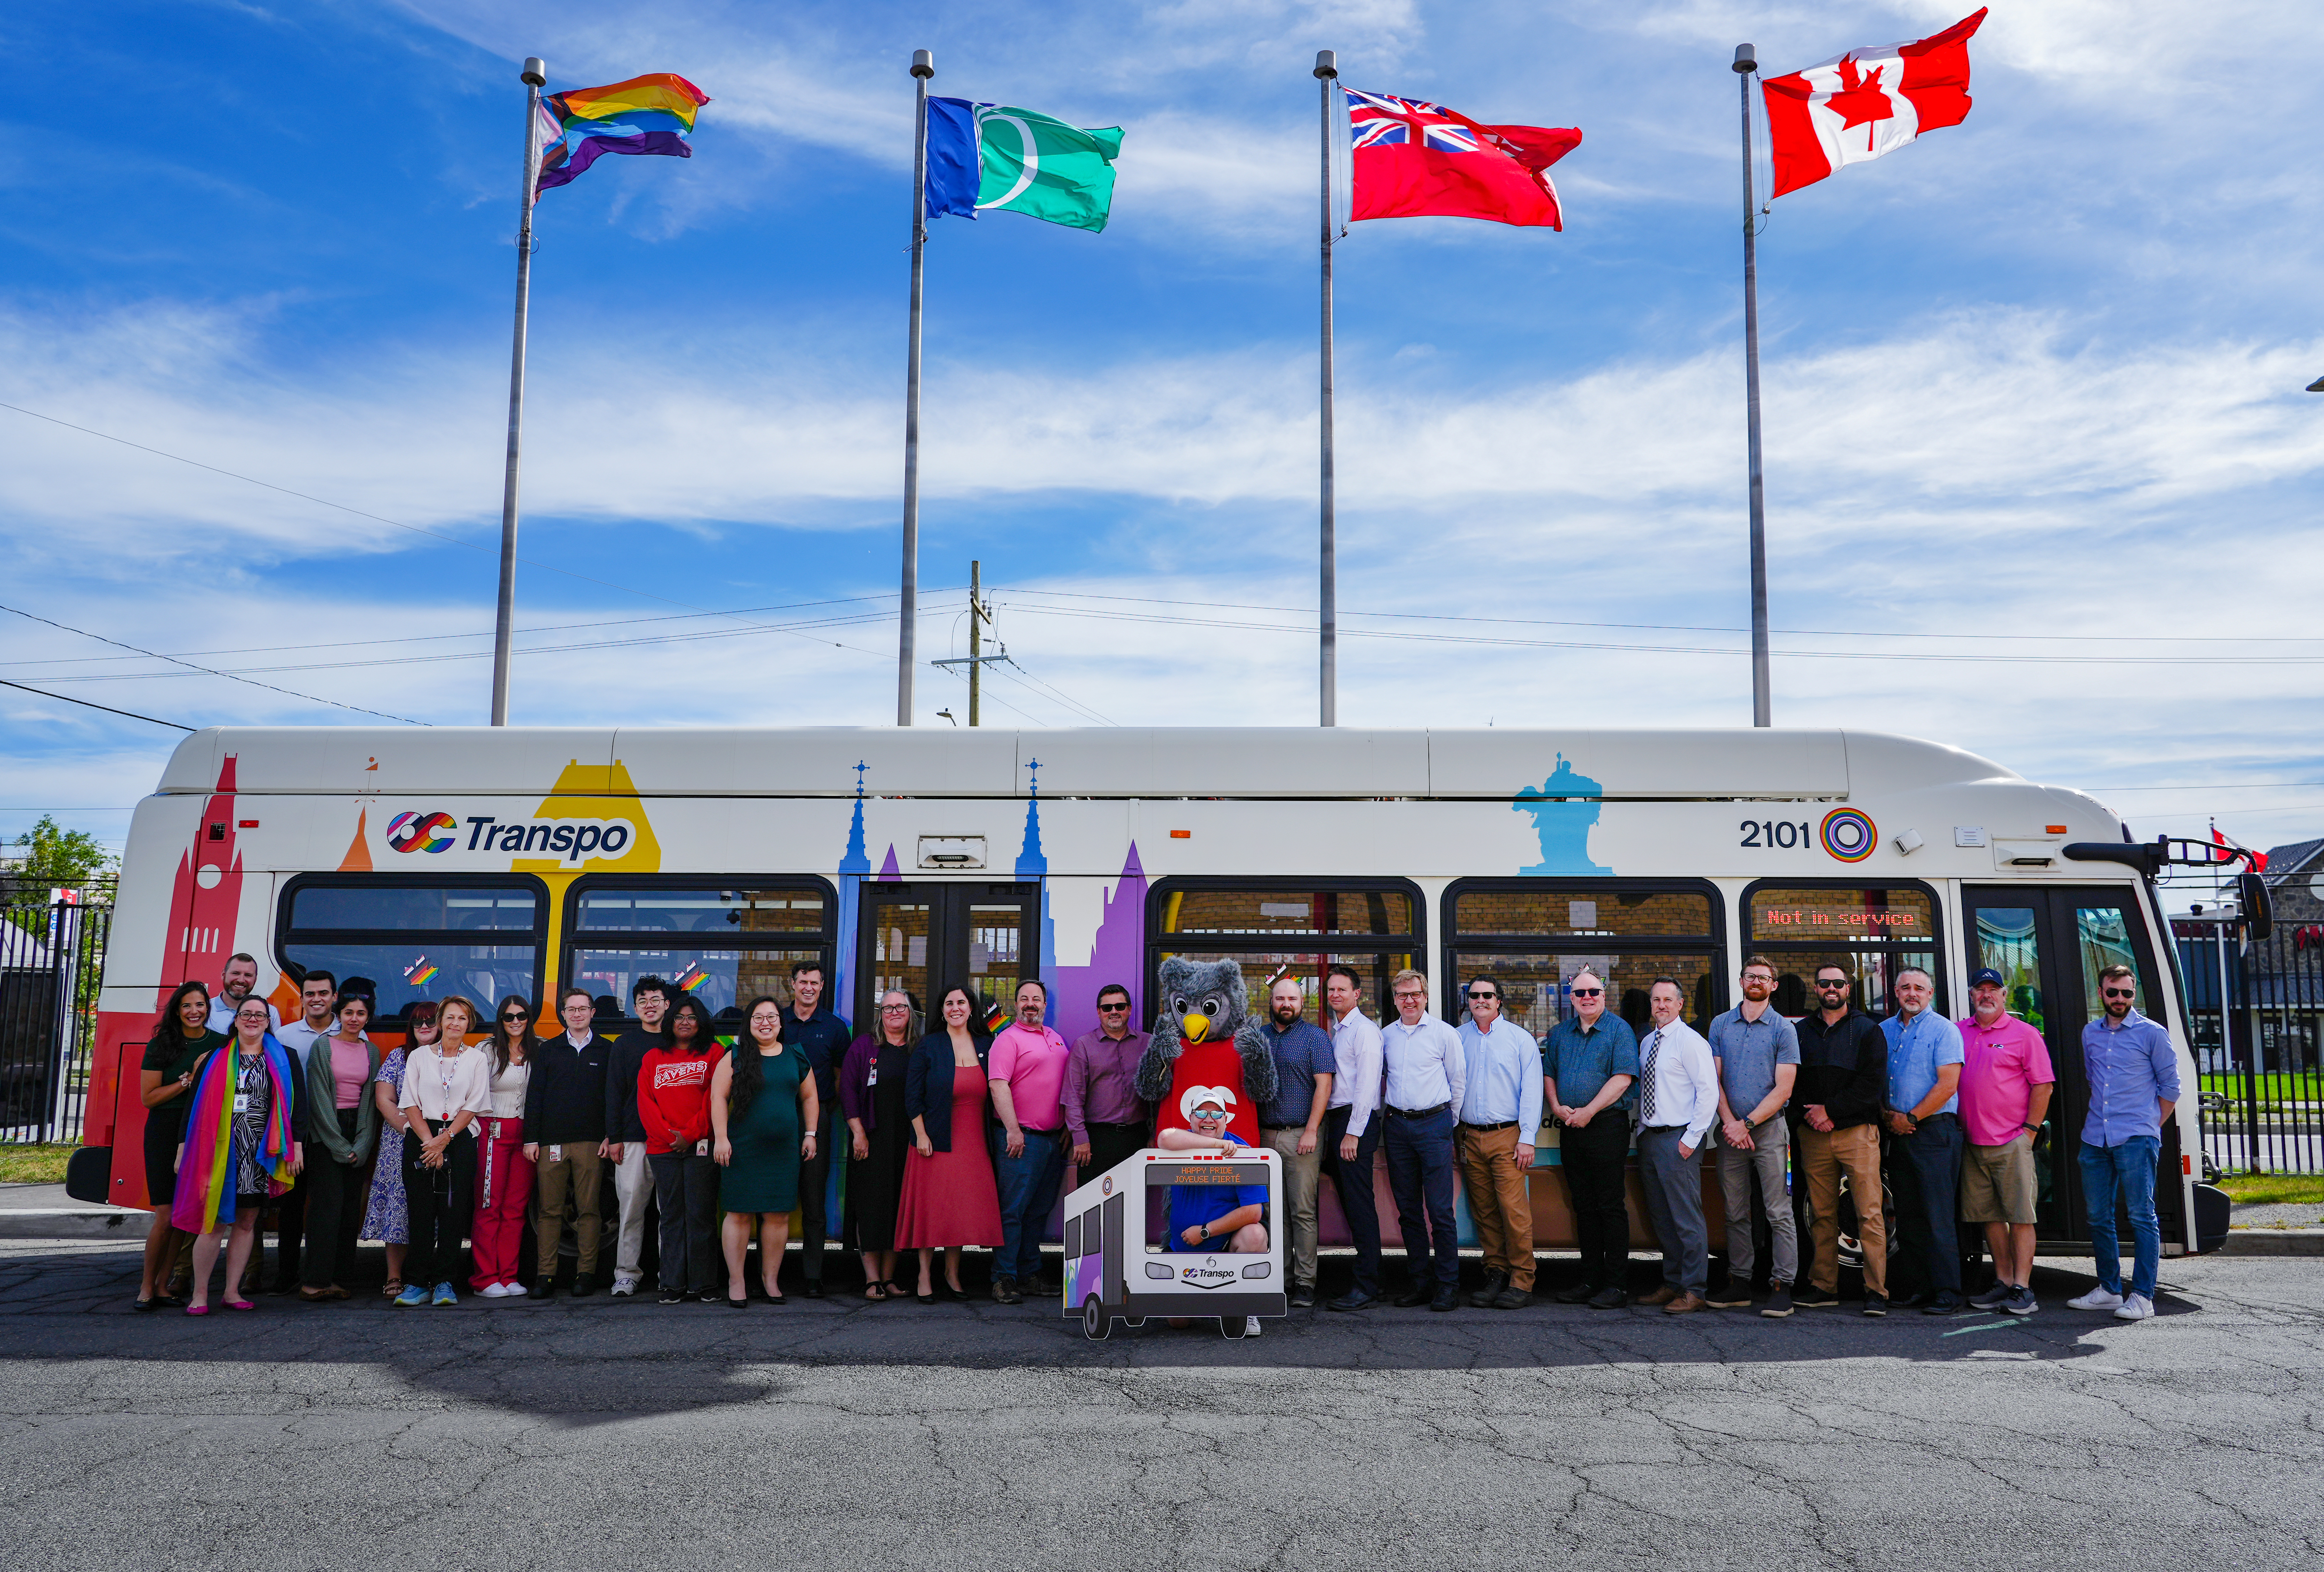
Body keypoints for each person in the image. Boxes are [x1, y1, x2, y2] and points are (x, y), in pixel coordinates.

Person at [172, 995, 303, 1314]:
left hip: (259, 1154)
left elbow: (299, 1106)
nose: (253, 1019)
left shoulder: (286, 1057)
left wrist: (296, 1145)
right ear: (236, 1019)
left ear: (269, 1021)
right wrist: (182, 1150)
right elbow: (192, 1108)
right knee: (212, 1223)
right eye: (247, 1014)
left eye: (260, 1015)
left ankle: (232, 1291)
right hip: (218, 1153)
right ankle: (200, 1295)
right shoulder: (215, 1057)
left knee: (246, 1222)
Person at [2068, 965, 2180, 1323]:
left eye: (2127, 993)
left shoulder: (2153, 1034)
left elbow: (2171, 1088)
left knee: (2141, 1216)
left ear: (2135, 995)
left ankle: (2144, 1296)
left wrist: (2148, 1126)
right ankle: (2109, 1289)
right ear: (2100, 992)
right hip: (2095, 1138)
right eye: (2113, 992)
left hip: (2136, 1138)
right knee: (2099, 1216)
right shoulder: (2090, 1033)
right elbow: (2093, 1078)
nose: (2120, 999)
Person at [1791, 965, 1891, 1315]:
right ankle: (1823, 1286)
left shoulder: (1868, 1030)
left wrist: (1830, 1110)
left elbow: (1872, 1084)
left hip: (1858, 1134)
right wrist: (1812, 1117)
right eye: (1824, 983)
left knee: (1869, 1214)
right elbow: (1794, 1081)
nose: (1831, 988)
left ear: (1849, 988)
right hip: (1814, 1136)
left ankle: (1876, 1291)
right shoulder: (1801, 1031)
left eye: (1838, 983)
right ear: (1816, 989)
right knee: (1821, 1214)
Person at [1705, 957, 1801, 1317]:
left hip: (1771, 1130)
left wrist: (1746, 1124)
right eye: (1751, 976)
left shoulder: (1783, 1029)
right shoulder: (1720, 1024)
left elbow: (1784, 1088)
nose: (1757, 981)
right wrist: (1730, 1122)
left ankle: (1782, 1285)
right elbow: (1713, 1080)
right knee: (1735, 1212)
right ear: (1742, 981)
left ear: (1773, 985)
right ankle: (1740, 1282)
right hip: (1730, 1133)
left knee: (1779, 1212)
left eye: (1764, 977)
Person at [898, 985, 1005, 1302]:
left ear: (971, 1009)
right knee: (933, 1211)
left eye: (961, 1002)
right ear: (941, 1011)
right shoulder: (929, 1045)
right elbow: (912, 1095)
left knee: (959, 1212)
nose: (955, 1008)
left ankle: (952, 1274)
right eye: (949, 1003)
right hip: (934, 1141)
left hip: (975, 1142)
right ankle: (924, 1276)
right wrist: (920, 1134)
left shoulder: (988, 1044)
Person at [1957, 966, 2054, 1317]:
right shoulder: (1959, 1032)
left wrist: (2029, 1131)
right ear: (1972, 995)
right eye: (1980, 989)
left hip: (2012, 1141)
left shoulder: (2025, 1034)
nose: (1986, 995)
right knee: (1991, 1218)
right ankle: (2001, 1282)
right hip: (1971, 1142)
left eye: (1993, 990)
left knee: (2020, 1217)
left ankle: (2022, 1288)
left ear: (2004, 994)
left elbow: (2044, 1085)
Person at [1542, 968, 1640, 1309]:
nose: (1587, 998)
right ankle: (1589, 1279)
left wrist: (1589, 1111)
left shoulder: (1619, 1030)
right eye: (1580, 993)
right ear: (1571, 998)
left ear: (1604, 995)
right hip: (1570, 1128)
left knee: (1610, 1206)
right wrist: (1557, 1107)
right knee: (1582, 1205)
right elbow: (1549, 1073)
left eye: (1594, 993)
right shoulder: (1559, 1034)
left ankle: (1616, 1286)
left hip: (1606, 1127)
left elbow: (1624, 1078)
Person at [713, 995, 819, 1305]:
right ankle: (737, 1283)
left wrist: (810, 1134)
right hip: (741, 1149)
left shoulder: (795, 1056)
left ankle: (770, 1281)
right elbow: (718, 1098)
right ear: (749, 1024)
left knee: (778, 1215)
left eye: (772, 1017)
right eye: (758, 1018)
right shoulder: (734, 1056)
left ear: (781, 1023)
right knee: (739, 1214)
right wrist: (722, 1138)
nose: (765, 1023)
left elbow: (810, 1097)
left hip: (783, 1152)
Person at [523, 987, 618, 1299]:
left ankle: (586, 1274)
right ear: (563, 1015)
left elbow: (613, 1098)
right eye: (571, 1009)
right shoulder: (548, 1051)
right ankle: (545, 1277)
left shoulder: (607, 1050)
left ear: (593, 1013)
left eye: (583, 1009)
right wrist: (532, 1139)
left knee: (589, 1211)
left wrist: (610, 1135)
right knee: (549, 1212)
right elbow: (535, 1098)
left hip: (592, 1143)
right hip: (551, 1144)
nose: (577, 1014)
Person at [1452, 975, 1541, 1310]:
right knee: (1485, 1213)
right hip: (1469, 1136)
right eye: (1474, 995)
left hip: (1508, 1136)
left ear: (1499, 1000)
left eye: (1488, 995)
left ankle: (1523, 1279)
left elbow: (1531, 1092)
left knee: (1514, 1211)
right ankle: (1495, 1273)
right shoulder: (1457, 1038)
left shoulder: (1520, 1040)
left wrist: (1527, 1140)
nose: (1481, 1000)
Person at [1883, 966, 1968, 1314]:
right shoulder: (1884, 1030)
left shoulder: (1944, 1030)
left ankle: (1947, 1291)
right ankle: (1918, 1287)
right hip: (1897, 1132)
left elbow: (1948, 1084)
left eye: (1919, 988)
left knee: (1937, 1215)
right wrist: (1891, 1118)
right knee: (1908, 1214)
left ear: (1930, 994)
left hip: (1934, 1132)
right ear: (1896, 992)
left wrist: (1912, 1117)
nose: (1912, 993)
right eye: (1906, 988)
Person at [397, 994, 491, 1306]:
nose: (455, 1023)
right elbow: (409, 1101)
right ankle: (416, 1283)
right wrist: (430, 1142)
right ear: (440, 1021)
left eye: (462, 1019)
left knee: (453, 1213)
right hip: (421, 1137)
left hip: (460, 1138)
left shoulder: (477, 1059)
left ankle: (445, 1282)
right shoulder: (420, 1056)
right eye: (450, 1017)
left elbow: (475, 1104)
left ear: (470, 1024)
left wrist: (445, 1139)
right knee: (421, 1213)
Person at [1381, 969, 1465, 1311]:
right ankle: (1420, 1283)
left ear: (1426, 996)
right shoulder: (1385, 1036)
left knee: (1441, 1211)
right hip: (1397, 1127)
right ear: (1396, 999)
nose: (1409, 1000)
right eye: (1402, 995)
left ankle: (1448, 1286)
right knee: (1409, 1211)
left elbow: (1458, 1082)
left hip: (1434, 1125)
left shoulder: (1445, 1034)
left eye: (1415, 994)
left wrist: (1447, 1122)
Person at [1633, 978, 1718, 1315]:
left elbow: (1708, 1092)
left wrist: (1691, 1139)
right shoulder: (1648, 1042)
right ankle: (1673, 1283)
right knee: (1663, 1219)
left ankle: (1695, 1289)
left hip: (1679, 1140)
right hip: (1651, 1139)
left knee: (1686, 1220)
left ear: (1681, 1004)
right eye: (1656, 1000)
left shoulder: (1691, 1042)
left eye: (1668, 1000)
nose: (1662, 1006)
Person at [135, 981, 221, 1310]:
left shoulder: (219, 1043)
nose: (194, 1012)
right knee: (166, 1214)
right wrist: (189, 1078)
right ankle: (145, 1286)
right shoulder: (161, 1044)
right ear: (177, 1010)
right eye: (187, 1006)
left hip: (199, 1131)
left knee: (184, 1216)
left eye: (200, 1005)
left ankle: (163, 1285)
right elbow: (149, 1098)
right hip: (164, 1130)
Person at [1157, 1092, 1271, 1338]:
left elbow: (1254, 1212)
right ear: (1191, 1118)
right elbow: (1165, 1137)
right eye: (1202, 1113)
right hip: (1182, 1251)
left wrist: (1205, 1231)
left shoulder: (1243, 1151)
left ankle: (1244, 1306)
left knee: (1255, 1234)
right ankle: (1212, 1301)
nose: (1209, 1119)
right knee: (1177, 1323)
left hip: (1223, 1247)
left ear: (1226, 1119)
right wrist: (1218, 1145)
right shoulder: (1180, 1145)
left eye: (1217, 1114)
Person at [988, 978, 1071, 1304]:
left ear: (1045, 1006)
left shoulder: (1056, 1039)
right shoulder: (1007, 1040)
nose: (1030, 1004)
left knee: (1038, 1212)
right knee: (1013, 1211)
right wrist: (1013, 1130)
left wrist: (1066, 1125)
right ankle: (1004, 1278)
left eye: (1036, 999)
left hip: (1053, 1142)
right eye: (1024, 999)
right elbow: (998, 1085)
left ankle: (1030, 1274)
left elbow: (1065, 1086)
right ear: (1016, 1004)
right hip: (1020, 1140)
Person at [1255, 975, 1337, 1308]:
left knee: (1302, 1211)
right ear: (1271, 1003)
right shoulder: (1258, 1038)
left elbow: (1324, 1087)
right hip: (1262, 1137)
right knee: (1272, 1213)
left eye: (1292, 999)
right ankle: (1280, 1278)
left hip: (1301, 1136)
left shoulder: (1315, 1038)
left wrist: (1312, 1131)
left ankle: (1305, 1283)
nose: (1286, 1004)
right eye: (1279, 999)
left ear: (1303, 1004)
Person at [638, 995, 727, 1305]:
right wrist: (668, 1136)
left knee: (701, 1215)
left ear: (701, 1022)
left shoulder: (715, 1054)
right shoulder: (653, 1057)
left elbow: (715, 1100)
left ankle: (704, 1284)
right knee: (671, 1216)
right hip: (663, 1149)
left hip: (701, 1145)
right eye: (679, 1017)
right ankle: (672, 1283)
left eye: (692, 1017)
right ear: (670, 1022)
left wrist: (689, 1135)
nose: (685, 1022)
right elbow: (646, 1102)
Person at [297, 988, 383, 1302]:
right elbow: (318, 1098)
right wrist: (336, 1143)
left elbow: (370, 1101)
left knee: (349, 1211)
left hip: (356, 1132)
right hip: (324, 1134)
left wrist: (362, 1143)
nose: (355, 1019)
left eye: (361, 1014)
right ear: (339, 1015)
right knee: (325, 1210)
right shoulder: (323, 1047)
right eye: (349, 1013)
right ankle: (314, 1282)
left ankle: (339, 1279)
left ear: (367, 1018)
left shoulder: (371, 1051)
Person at [261, 967, 340, 1295]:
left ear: (334, 997)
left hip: (332, 1135)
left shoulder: (353, 1032)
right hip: (294, 1131)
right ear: (302, 998)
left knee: (325, 1208)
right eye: (310, 994)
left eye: (323, 993)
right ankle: (287, 1273)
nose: (317, 999)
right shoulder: (286, 1037)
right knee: (291, 1208)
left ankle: (322, 1274)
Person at [778, 961, 852, 1299]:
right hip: (777, 1116)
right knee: (775, 1196)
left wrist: (824, 1111)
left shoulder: (835, 1028)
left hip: (817, 1119)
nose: (809, 988)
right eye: (803, 982)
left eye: (815, 983)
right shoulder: (776, 1022)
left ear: (823, 987)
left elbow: (840, 1075)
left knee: (814, 1199)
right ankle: (771, 1275)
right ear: (792, 985)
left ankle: (812, 1276)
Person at [840, 990, 919, 1302]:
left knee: (898, 1207)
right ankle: (871, 1279)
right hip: (871, 1139)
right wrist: (858, 1132)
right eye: (888, 1008)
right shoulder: (864, 1046)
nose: (895, 1012)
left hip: (909, 1139)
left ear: (911, 1012)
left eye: (901, 1007)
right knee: (871, 1207)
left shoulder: (918, 1048)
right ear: (880, 1013)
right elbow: (848, 1089)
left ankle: (889, 1278)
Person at [1321, 965, 1387, 1312]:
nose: (1335, 995)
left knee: (1360, 1205)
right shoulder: (1339, 1030)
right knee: (1350, 1200)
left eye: (1342, 990)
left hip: (1353, 1123)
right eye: (1331, 989)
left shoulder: (1364, 1031)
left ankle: (1368, 1286)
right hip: (1337, 1122)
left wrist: (1353, 1133)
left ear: (1357, 993)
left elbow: (1367, 1086)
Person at [603, 976, 672, 1298]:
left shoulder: (678, 1041)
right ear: (635, 1008)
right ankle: (627, 1274)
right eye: (643, 1001)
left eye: (656, 999)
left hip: (672, 1141)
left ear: (667, 1005)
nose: (650, 1006)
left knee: (670, 1213)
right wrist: (614, 1137)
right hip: (631, 1140)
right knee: (630, 1211)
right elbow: (614, 1093)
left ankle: (669, 1275)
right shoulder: (625, 1044)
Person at [360, 1001, 428, 1301]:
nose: (424, 1027)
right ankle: (394, 1276)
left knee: (433, 1209)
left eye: (430, 1021)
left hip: (440, 1143)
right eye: (418, 1022)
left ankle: (428, 1275)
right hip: (401, 1143)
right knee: (398, 1210)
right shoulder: (398, 1056)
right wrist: (414, 1131)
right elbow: (384, 1100)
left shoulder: (453, 1057)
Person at [470, 994, 536, 1298]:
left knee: (515, 1209)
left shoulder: (540, 1048)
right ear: (501, 1020)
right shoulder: (485, 1050)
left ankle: (509, 1276)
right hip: (493, 1131)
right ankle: (485, 1278)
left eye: (521, 1016)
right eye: (509, 1017)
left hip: (526, 1135)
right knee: (489, 1205)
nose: (515, 1022)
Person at [1065, 982, 1151, 1186]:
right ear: (1099, 1012)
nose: (1114, 1012)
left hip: (1138, 1139)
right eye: (1107, 1008)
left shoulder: (1148, 1044)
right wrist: (1080, 1138)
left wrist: (1155, 1134)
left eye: (1120, 1006)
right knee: (1092, 1207)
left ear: (1129, 1009)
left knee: (1134, 1206)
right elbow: (1073, 1097)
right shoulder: (1084, 1046)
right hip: (1096, 1141)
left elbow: (1158, 1095)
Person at [205, 953, 279, 1035]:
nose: (241, 980)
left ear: (255, 979)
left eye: (248, 975)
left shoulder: (270, 1013)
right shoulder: (205, 1010)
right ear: (224, 975)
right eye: (236, 973)